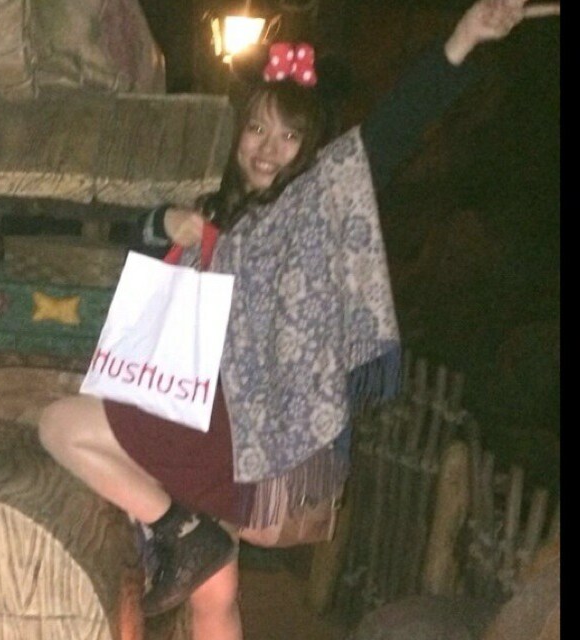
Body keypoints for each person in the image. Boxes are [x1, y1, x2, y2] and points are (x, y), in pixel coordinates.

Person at [38, 1, 558, 638]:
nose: (268, 149)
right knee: (214, 596)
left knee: (61, 425)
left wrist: (463, 38)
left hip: (244, 429)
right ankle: (193, 536)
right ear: (238, 133)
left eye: (289, 137)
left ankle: (180, 528)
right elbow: (141, 267)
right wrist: (163, 222)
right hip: (198, 407)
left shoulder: (312, 207)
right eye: (257, 128)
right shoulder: (212, 212)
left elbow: (389, 133)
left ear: (308, 148)